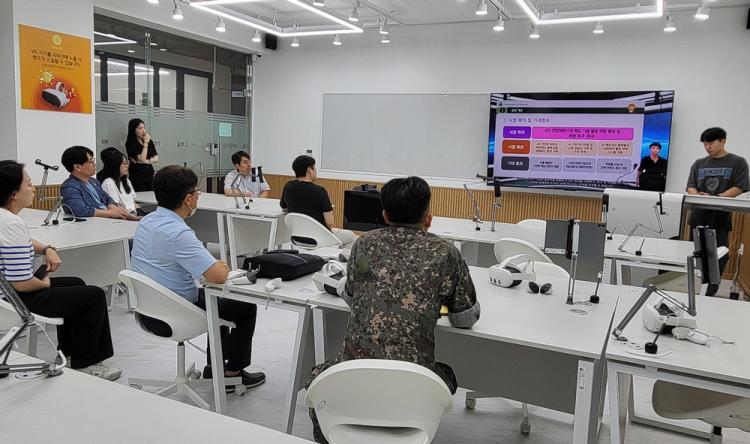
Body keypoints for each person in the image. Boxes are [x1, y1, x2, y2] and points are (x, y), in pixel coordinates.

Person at [305, 176, 481, 443]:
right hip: (414, 389)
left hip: (352, 383)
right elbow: (464, 317)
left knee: (321, 374)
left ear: (385, 216)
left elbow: (352, 296)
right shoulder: (445, 252)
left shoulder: (363, 244)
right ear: (428, 218)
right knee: (446, 374)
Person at [130, 165, 265, 390]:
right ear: (188, 199)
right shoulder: (179, 233)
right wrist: (219, 266)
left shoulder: (147, 222)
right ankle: (233, 374)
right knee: (244, 307)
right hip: (175, 313)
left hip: (148, 309)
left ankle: (214, 368)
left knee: (217, 300)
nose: (198, 196)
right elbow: (218, 276)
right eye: (197, 192)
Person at [0, 160, 120, 380]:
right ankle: (87, 364)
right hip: (14, 299)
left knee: (76, 283)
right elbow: (22, 283)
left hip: (8, 293)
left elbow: (24, 242)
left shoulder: (5, 219)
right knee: (93, 296)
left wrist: (46, 249)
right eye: (29, 184)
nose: (33, 189)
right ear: (13, 194)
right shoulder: (11, 224)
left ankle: (70, 353)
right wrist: (44, 282)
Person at [686, 127, 749, 296]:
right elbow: (691, 186)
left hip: (720, 216)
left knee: (720, 253)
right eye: (705, 144)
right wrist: (698, 197)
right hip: (699, 214)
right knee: (697, 253)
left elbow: (740, 186)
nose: (708, 148)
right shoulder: (699, 163)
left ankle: (711, 289)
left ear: (723, 141)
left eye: (711, 144)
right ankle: (695, 287)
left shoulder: (738, 162)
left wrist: (716, 198)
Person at [279, 155, 356, 245]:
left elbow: (284, 209)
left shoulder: (288, 186)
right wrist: (329, 212)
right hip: (320, 237)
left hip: (297, 237)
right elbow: (330, 224)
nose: (316, 171)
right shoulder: (319, 190)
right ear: (309, 170)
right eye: (314, 168)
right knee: (352, 237)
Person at [60, 146, 134, 220]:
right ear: (77, 167)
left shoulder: (93, 181)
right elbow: (81, 210)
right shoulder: (69, 187)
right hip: (96, 222)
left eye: (93, 160)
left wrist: (114, 208)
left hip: (109, 218)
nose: (94, 164)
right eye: (90, 162)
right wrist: (111, 213)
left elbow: (107, 198)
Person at [97, 148, 143, 219]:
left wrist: (142, 213)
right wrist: (134, 218)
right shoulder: (109, 183)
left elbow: (133, 203)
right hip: (124, 218)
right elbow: (116, 207)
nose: (127, 166)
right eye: (124, 163)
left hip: (134, 214)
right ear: (115, 165)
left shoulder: (126, 181)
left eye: (127, 163)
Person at [125, 118, 159, 192]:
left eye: (144, 128)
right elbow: (142, 158)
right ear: (133, 130)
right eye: (140, 128)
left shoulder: (149, 141)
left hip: (149, 173)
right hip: (137, 175)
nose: (143, 130)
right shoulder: (130, 143)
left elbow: (156, 158)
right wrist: (146, 143)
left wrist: (145, 161)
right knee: (141, 195)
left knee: (150, 194)